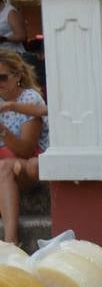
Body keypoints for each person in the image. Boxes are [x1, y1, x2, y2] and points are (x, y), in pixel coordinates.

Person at [0, 50, 49, 245]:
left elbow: (27, 149)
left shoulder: (30, 99)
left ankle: (11, 242)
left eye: (2, 77)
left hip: (26, 164)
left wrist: (3, 131)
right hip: (9, 165)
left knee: (4, 169)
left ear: (18, 76)